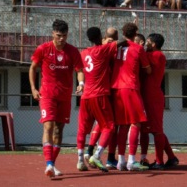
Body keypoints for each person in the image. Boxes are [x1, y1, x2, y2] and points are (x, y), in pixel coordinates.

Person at [29, 19, 84, 178]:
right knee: (48, 126)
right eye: (59, 35)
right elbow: (32, 68)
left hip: (65, 96)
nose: (62, 39)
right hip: (47, 94)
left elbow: (79, 69)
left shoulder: (73, 51)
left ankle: (52, 164)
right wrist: (33, 88)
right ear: (53, 33)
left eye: (65, 36)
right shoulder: (43, 48)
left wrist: (81, 83)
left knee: (59, 130)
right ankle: (48, 163)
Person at [76, 27, 125, 173]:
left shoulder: (83, 53)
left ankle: (80, 159)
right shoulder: (103, 50)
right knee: (109, 126)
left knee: (83, 129)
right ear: (100, 36)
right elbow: (122, 42)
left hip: (85, 96)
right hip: (100, 94)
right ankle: (97, 155)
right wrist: (126, 38)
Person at [111, 22, 151, 171]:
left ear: (123, 33)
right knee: (136, 123)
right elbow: (147, 70)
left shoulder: (115, 47)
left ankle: (121, 160)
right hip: (130, 87)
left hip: (116, 87)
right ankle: (132, 160)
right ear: (136, 33)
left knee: (123, 124)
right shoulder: (138, 48)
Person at [139, 33, 179, 170]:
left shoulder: (157, 55)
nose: (145, 44)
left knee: (156, 131)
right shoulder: (154, 55)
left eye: (147, 41)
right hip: (147, 96)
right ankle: (171, 157)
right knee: (149, 129)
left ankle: (159, 162)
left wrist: (136, 46)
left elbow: (141, 57)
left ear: (154, 44)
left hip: (152, 97)